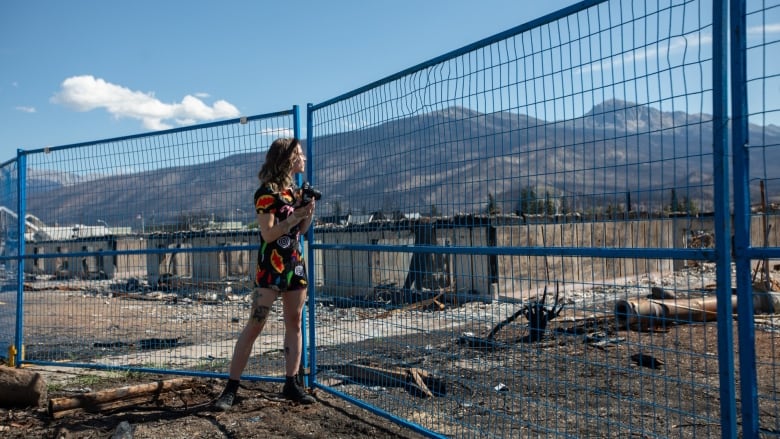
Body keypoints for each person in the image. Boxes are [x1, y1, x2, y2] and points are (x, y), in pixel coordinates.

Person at [214, 137, 316, 410]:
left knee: (294, 323)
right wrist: (295, 216)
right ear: (287, 159)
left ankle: (291, 383)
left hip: (295, 266)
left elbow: (301, 232)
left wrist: (308, 213)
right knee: (255, 324)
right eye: (299, 154)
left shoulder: (294, 192)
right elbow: (268, 233)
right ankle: (230, 388)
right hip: (270, 268)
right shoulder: (266, 193)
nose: (303, 158)